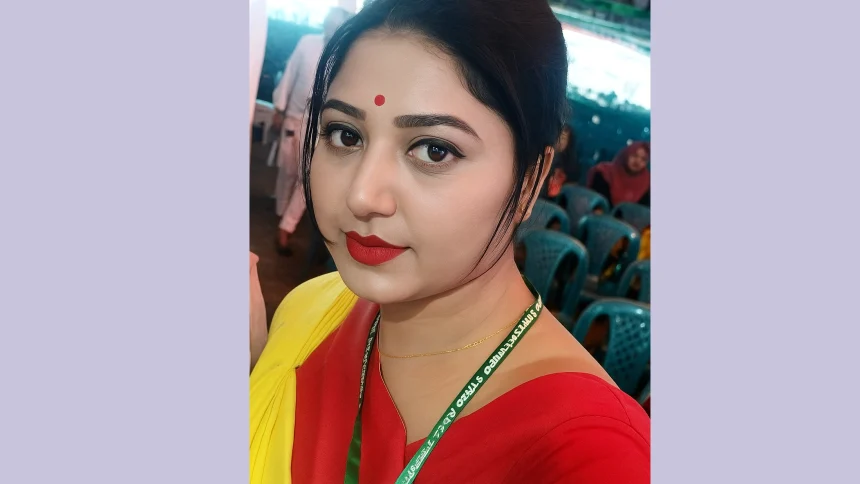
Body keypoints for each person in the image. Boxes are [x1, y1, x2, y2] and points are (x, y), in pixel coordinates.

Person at [251, 0, 650, 482]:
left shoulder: (587, 452)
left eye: (434, 149)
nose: (362, 195)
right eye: (345, 135)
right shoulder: (309, 309)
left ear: (531, 179)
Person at [272, 7, 353, 255]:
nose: (331, 28)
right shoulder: (308, 43)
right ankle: (280, 213)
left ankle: (286, 227)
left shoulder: (347, 54)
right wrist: (279, 108)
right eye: (329, 23)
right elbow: (290, 74)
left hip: (320, 127)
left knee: (307, 180)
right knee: (287, 171)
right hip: (293, 118)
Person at [587, 141, 650, 208]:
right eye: (634, 156)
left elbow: (642, 209)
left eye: (643, 159)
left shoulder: (647, 182)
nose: (637, 161)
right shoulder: (604, 172)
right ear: (625, 155)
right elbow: (597, 203)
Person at [543, 123, 580, 198]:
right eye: (557, 136)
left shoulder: (571, 164)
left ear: (569, 141)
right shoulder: (544, 155)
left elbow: (572, 189)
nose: (559, 140)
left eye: (563, 138)